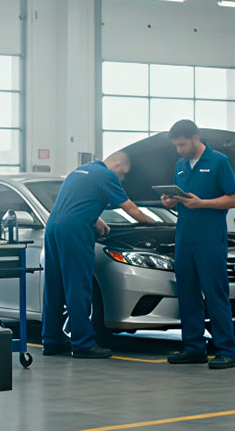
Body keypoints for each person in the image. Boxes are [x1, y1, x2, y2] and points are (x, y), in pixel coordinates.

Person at [42, 151, 155, 359]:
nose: (122, 179)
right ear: (118, 163)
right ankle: (83, 344)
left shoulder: (78, 172)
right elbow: (130, 208)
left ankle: (52, 341)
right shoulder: (107, 175)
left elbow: (77, 203)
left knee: (54, 285)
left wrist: (96, 219)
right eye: (123, 174)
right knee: (78, 286)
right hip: (75, 231)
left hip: (54, 227)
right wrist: (153, 224)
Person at [160, 120, 235, 370]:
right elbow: (181, 198)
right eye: (175, 145)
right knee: (187, 294)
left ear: (195, 137)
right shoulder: (181, 166)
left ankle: (226, 350)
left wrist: (203, 203)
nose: (179, 150)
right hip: (185, 238)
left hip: (210, 238)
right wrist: (170, 201)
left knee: (215, 293)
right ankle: (194, 348)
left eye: (182, 144)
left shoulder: (218, 162)